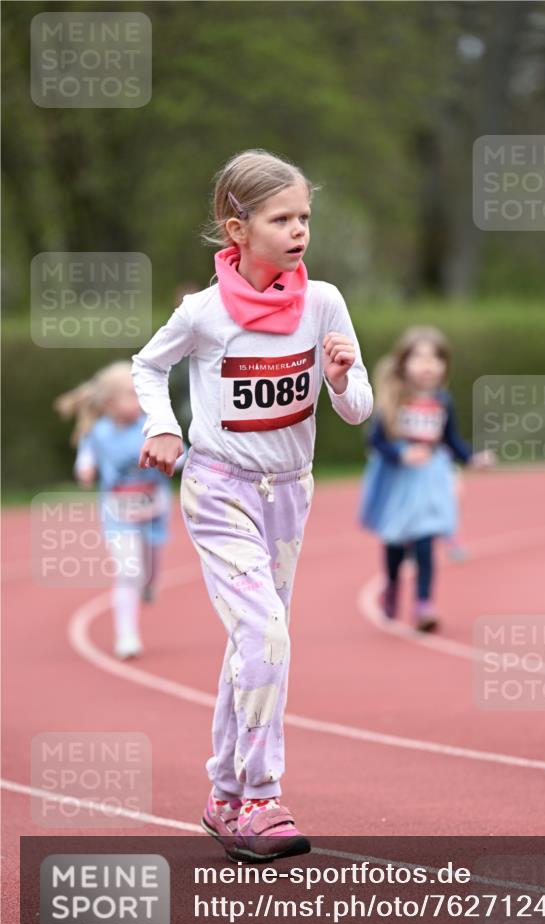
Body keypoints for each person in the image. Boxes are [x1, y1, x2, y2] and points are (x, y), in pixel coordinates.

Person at [131, 149, 373, 863]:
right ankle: (259, 797)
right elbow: (148, 366)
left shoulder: (323, 302)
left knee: (254, 645)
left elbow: (358, 411)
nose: (299, 230)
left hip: (289, 497)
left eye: (304, 216)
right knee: (266, 639)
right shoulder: (202, 314)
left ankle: (222, 796)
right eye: (281, 218)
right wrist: (162, 425)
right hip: (219, 491)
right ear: (235, 229)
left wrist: (337, 378)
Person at [359, 326, 493, 632]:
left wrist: (472, 457)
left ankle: (424, 605)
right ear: (403, 363)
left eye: (435, 358)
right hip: (399, 480)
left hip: (430, 479)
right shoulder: (395, 399)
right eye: (419, 357)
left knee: (425, 539)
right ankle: (392, 588)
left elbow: (450, 439)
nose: (427, 364)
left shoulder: (443, 400)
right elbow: (376, 441)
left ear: (444, 365)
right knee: (394, 542)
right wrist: (401, 454)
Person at [54, 362, 173, 659]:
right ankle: (127, 636)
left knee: (149, 569)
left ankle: (149, 583)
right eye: (131, 395)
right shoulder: (98, 432)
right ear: (110, 402)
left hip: (153, 510)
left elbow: (177, 453)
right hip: (118, 513)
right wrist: (85, 470)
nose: (139, 401)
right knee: (128, 570)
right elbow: (85, 458)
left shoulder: (153, 425)